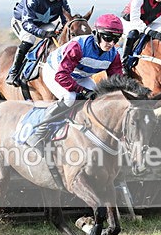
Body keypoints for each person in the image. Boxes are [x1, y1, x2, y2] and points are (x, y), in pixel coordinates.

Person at [27, 14, 125, 145]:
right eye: (108, 38)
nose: (111, 43)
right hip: (55, 71)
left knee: (98, 99)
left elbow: (117, 81)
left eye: (116, 39)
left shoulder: (113, 54)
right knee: (70, 98)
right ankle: (39, 133)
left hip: (80, 75)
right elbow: (61, 75)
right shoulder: (78, 46)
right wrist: (82, 91)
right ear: (96, 33)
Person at [5, 0, 73, 86]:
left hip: (42, 23)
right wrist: (43, 33)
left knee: (59, 37)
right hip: (22, 21)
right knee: (29, 39)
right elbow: (27, 23)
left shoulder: (62, 1)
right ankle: (13, 72)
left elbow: (66, 22)